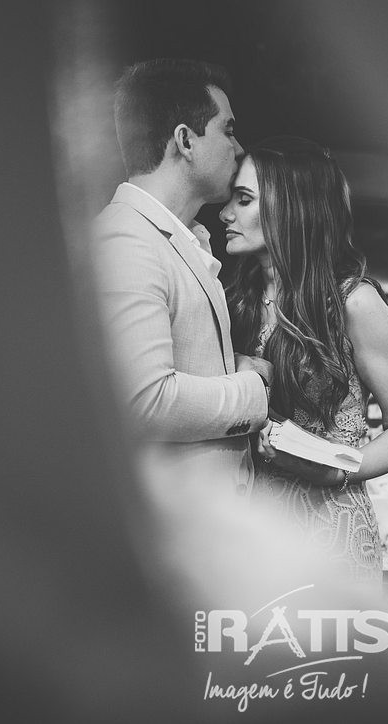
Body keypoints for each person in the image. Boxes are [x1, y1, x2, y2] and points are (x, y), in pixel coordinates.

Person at [219, 135, 388, 586]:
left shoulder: (355, 303)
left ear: (290, 208)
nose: (225, 213)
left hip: (330, 532)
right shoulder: (232, 299)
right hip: (248, 536)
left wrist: (336, 470)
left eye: (244, 199)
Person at [93, 59, 273, 560]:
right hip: (174, 545)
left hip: (206, 540)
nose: (238, 148)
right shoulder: (126, 239)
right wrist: (251, 389)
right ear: (185, 140)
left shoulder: (176, 238)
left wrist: (229, 366)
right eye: (227, 130)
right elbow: (142, 401)